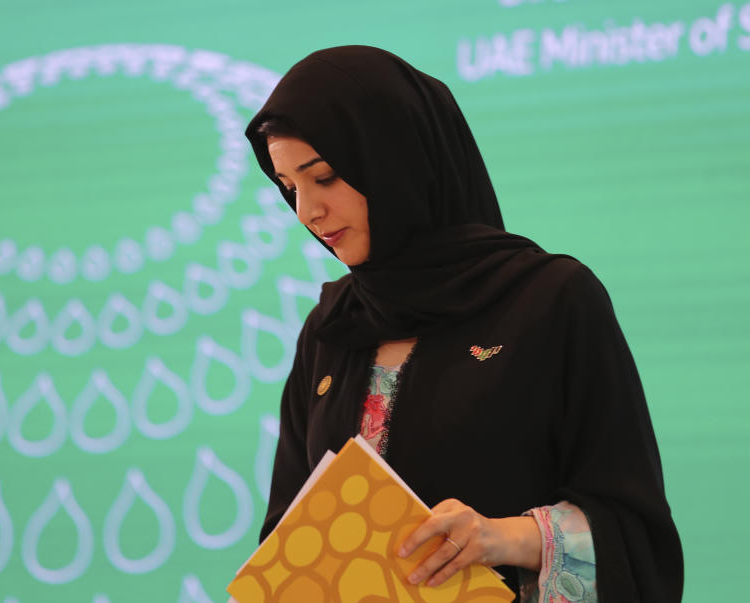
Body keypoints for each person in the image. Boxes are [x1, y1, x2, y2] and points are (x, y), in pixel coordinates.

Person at [243, 46, 683, 602]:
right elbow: (287, 539)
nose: (307, 211)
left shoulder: (552, 302)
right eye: (288, 187)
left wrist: (505, 538)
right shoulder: (332, 328)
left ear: (394, 158)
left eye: (324, 176)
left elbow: (635, 534)